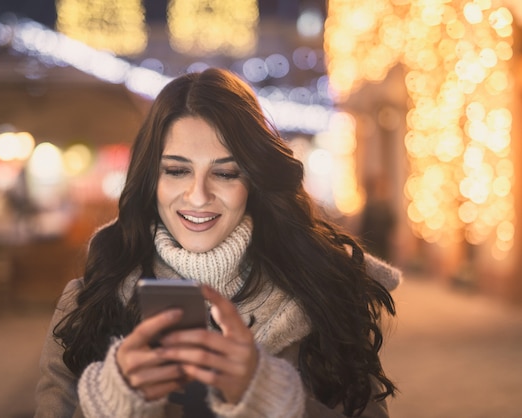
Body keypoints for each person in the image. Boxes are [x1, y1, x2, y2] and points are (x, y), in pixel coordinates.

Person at [34, 68, 402, 418]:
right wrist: (112, 402)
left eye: (225, 173)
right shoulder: (90, 300)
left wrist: (269, 397)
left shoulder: (324, 290)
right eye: (177, 171)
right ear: (151, 180)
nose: (198, 196)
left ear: (254, 181)